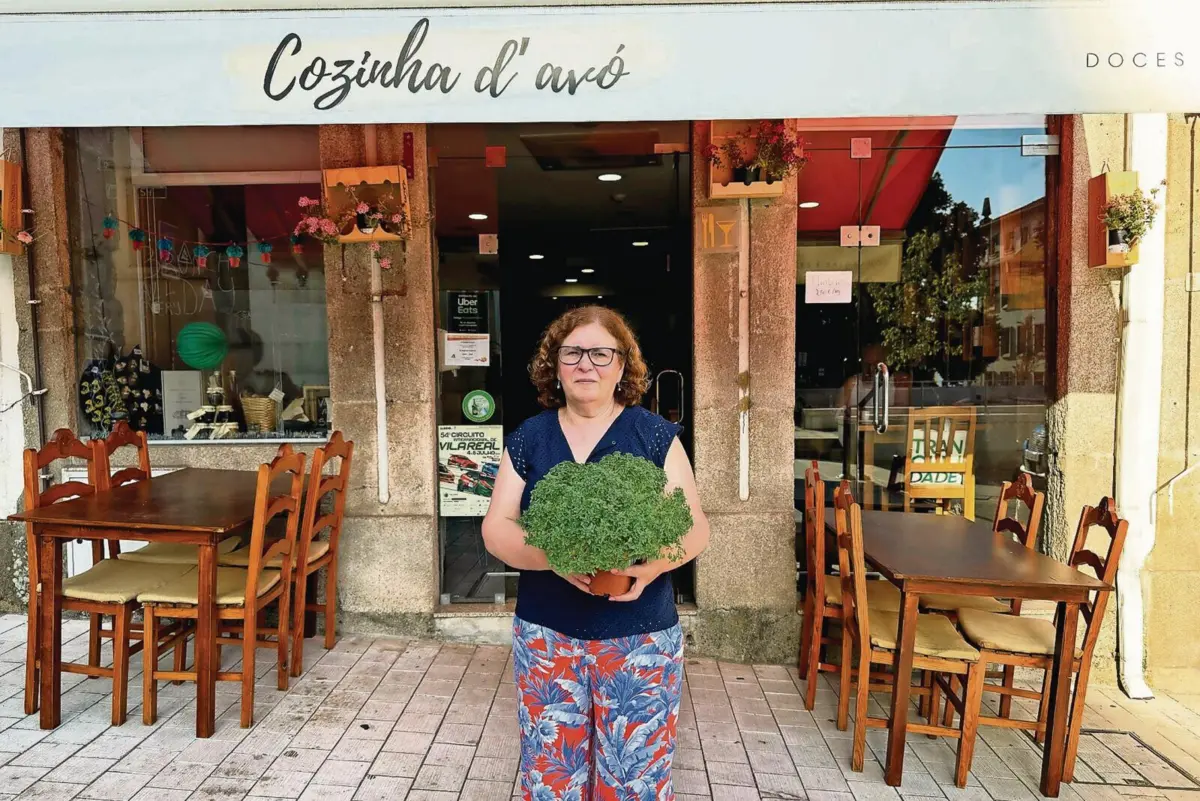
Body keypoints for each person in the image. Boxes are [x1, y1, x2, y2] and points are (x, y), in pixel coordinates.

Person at [482, 305, 710, 801]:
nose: (587, 365)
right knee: (552, 776)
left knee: (634, 780)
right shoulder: (529, 438)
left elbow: (693, 529)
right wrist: (557, 559)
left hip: (639, 639)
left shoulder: (652, 435)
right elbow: (496, 529)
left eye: (601, 353)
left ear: (623, 366)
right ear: (555, 366)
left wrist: (648, 571)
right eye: (573, 353)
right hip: (547, 634)